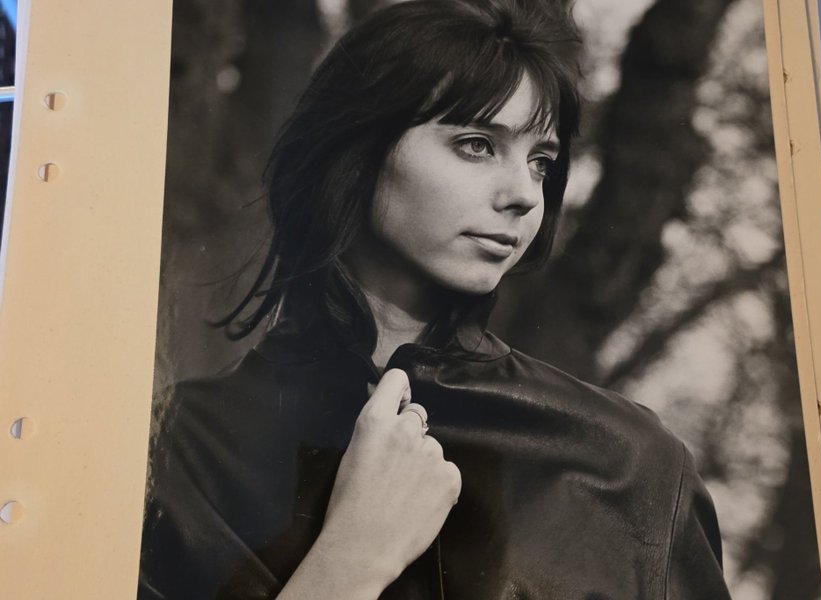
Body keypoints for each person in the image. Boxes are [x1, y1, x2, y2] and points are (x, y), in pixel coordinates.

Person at [139, 0, 731, 598]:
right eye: (477, 144)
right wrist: (350, 561)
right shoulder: (169, 453)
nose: (526, 194)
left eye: (541, 162)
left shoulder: (630, 469)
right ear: (356, 150)